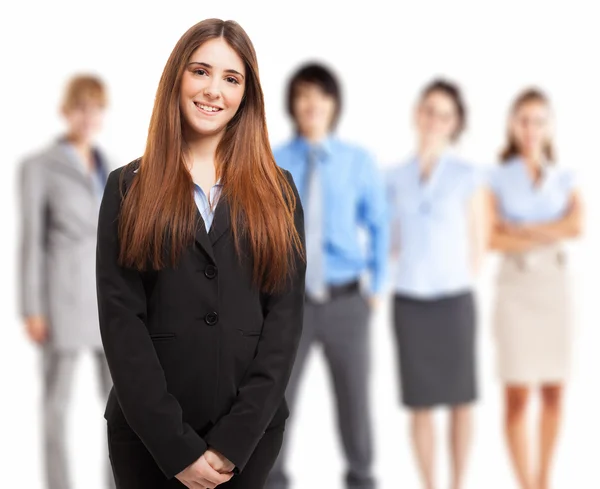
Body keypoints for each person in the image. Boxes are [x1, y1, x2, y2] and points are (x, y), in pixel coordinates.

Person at [96, 19, 306, 489]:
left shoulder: (281, 192)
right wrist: (176, 449)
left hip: (249, 443)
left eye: (231, 79)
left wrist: (232, 444)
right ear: (178, 78)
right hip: (147, 443)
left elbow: (284, 321)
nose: (214, 90)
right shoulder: (127, 188)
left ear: (246, 94)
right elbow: (120, 323)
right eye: (200, 72)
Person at [265, 63, 388, 489]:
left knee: (354, 401)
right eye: (302, 95)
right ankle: (271, 479)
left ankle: (361, 477)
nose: (311, 104)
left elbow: (379, 224)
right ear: (292, 105)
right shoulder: (272, 159)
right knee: (274, 402)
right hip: (288, 302)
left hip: (346, 301)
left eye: (320, 95)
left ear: (334, 104)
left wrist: (377, 286)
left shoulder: (358, 161)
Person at [386, 79, 487, 489]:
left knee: (462, 401)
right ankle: (430, 484)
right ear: (417, 113)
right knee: (420, 404)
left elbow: (479, 244)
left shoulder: (468, 175)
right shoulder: (393, 177)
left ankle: (458, 484)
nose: (433, 120)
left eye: (444, 115)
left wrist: (452, 276)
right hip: (410, 301)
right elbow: (390, 241)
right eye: (428, 110)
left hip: (453, 301)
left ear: (455, 123)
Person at [18, 74, 114, 489]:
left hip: (109, 303)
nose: (88, 116)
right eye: (81, 107)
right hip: (62, 302)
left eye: (95, 108)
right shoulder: (39, 167)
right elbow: (31, 240)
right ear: (66, 110)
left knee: (121, 408)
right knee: (56, 409)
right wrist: (32, 307)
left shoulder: (108, 167)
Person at [488, 89, 583, 489]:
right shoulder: (495, 177)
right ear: (513, 125)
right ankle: (526, 483)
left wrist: (523, 228)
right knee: (518, 395)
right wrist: (549, 229)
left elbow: (576, 227)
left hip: (554, 288)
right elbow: (493, 238)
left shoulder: (564, 176)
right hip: (516, 289)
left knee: (554, 391)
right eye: (524, 119)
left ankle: (543, 480)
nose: (531, 128)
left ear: (549, 126)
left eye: (539, 120)